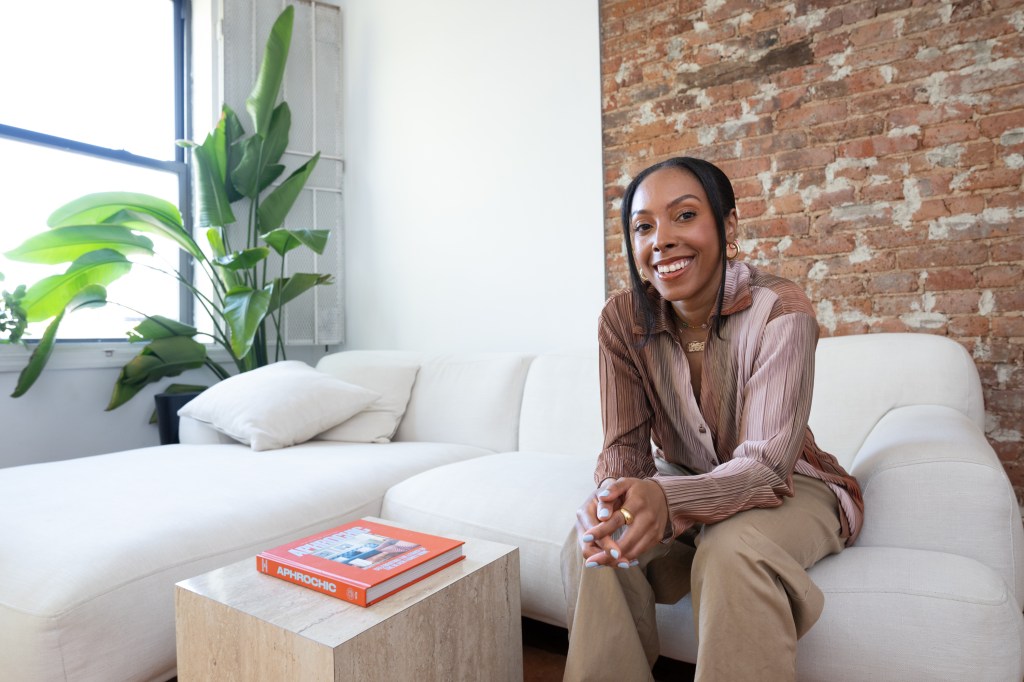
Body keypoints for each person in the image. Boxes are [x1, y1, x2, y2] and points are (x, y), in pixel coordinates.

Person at [561, 157, 864, 681]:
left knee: (731, 549)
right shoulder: (621, 320)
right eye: (644, 226)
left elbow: (767, 467)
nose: (661, 240)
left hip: (793, 484)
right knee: (598, 542)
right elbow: (625, 447)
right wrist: (614, 493)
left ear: (728, 226)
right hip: (689, 479)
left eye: (683, 216)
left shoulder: (780, 309)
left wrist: (668, 499)